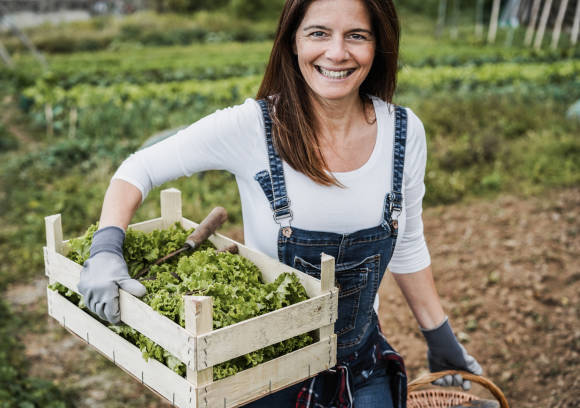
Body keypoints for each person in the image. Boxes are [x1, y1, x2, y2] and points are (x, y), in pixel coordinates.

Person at [77, 0, 483, 406]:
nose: (337, 52)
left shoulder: (403, 131)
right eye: (318, 33)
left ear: (379, 46)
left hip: (361, 364)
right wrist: (106, 249)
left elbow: (407, 243)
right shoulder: (253, 127)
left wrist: (439, 336)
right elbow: (138, 169)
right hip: (270, 374)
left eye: (357, 35)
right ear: (292, 41)